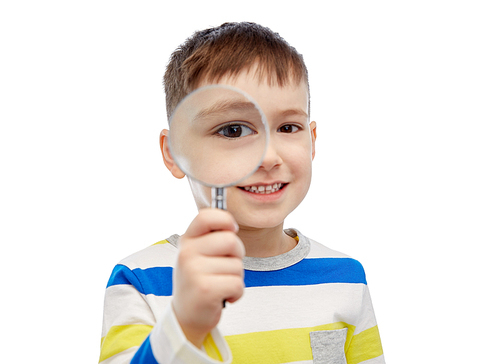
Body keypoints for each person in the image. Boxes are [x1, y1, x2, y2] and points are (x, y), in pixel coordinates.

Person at [99, 22, 384, 364]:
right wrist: (184, 325)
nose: (268, 157)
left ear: (313, 142)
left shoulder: (346, 276)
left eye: (288, 127)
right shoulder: (142, 280)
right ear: (174, 152)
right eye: (234, 130)